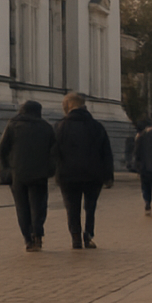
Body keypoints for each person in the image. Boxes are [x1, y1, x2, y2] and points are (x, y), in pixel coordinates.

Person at [52, 92, 114, 249]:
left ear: (68, 106)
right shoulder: (97, 126)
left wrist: (54, 171)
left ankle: (75, 238)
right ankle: (88, 235)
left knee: (72, 208)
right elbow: (106, 153)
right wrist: (108, 176)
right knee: (90, 206)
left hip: (67, 175)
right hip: (93, 175)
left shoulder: (60, 127)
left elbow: (53, 152)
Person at [0, 100, 56, 250]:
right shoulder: (46, 127)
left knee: (22, 207)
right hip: (39, 174)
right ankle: (38, 235)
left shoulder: (12, 125)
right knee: (38, 206)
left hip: (17, 174)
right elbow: (54, 152)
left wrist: (6, 170)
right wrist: (49, 170)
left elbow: (2, 149)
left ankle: (27, 239)